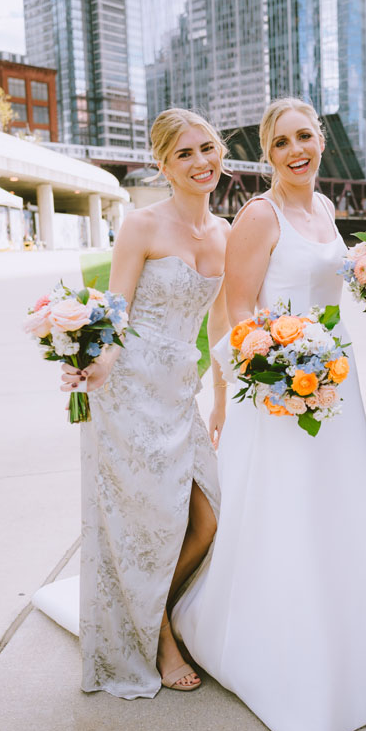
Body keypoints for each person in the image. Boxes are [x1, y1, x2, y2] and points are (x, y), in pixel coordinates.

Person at [171, 97, 366, 731]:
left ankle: (351, 649)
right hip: (280, 383)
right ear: (267, 152)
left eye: (306, 136)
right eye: (282, 141)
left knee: (335, 514)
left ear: (320, 141)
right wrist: (254, 382)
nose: (297, 150)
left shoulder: (322, 210)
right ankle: (272, 653)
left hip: (335, 380)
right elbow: (234, 314)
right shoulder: (260, 215)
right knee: (283, 516)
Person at [59, 108, 230, 697]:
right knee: (149, 527)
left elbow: (225, 326)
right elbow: (115, 307)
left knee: (207, 520)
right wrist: (98, 361)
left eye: (206, 148)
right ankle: (160, 640)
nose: (200, 162)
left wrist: (224, 396)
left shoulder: (227, 233)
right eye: (183, 154)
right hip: (130, 391)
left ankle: (148, 611)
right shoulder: (142, 224)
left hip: (182, 391)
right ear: (162, 165)